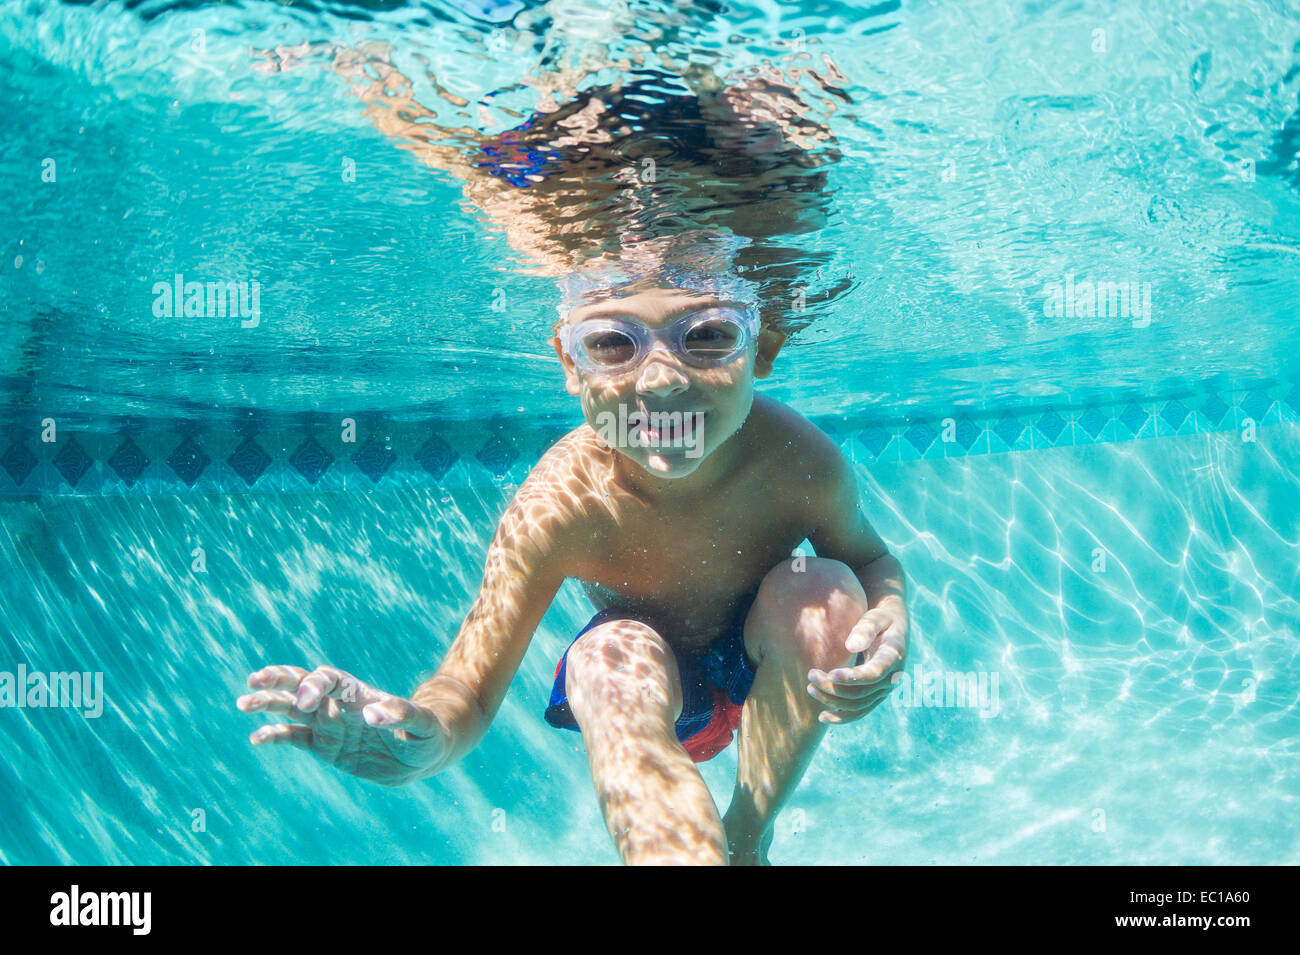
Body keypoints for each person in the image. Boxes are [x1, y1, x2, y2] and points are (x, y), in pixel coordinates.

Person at [238, 33, 907, 865]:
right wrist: (414, 741)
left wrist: (886, 620)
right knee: (605, 654)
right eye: (614, 345)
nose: (661, 381)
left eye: (705, 337)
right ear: (570, 365)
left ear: (761, 351)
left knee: (826, 589)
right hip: (654, 702)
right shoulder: (560, 501)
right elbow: (464, 692)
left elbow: (873, 563)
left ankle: (749, 832)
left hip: (781, 684)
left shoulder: (796, 459)